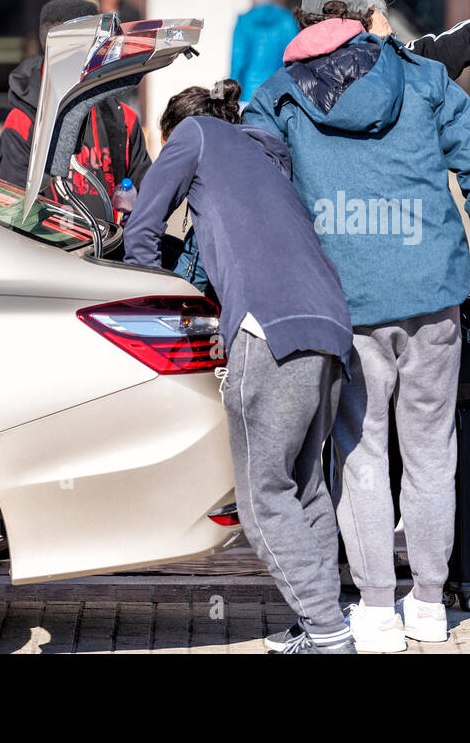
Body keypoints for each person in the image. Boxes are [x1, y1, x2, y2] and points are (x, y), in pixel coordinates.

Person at [245, 0, 470, 652]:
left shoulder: (277, 94)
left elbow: (251, 191)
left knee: (361, 453)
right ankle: (429, 603)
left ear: (302, 19)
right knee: (431, 449)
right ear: (368, 14)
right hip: (432, 291)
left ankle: (375, 608)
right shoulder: (423, 78)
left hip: (347, 296)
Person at [122, 79, 355, 654]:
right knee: (305, 487)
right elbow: (217, 254)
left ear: (173, 132)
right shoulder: (262, 153)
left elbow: (142, 230)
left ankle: (329, 632)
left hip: (267, 330)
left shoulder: (194, 135)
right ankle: (318, 623)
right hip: (328, 323)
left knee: (262, 500)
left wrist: (145, 297)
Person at [0, 0, 152, 218]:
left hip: (109, 248)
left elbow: (146, 202)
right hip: (45, 249)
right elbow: (14, 210)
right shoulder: (23, 122)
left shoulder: (123, 119)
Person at [230, 0, 299, 103]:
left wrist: (230, 96)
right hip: (281, 93)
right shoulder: (287, 20)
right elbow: (295, 59)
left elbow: (238, 62)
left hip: (248, 94)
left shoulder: (244, 21)